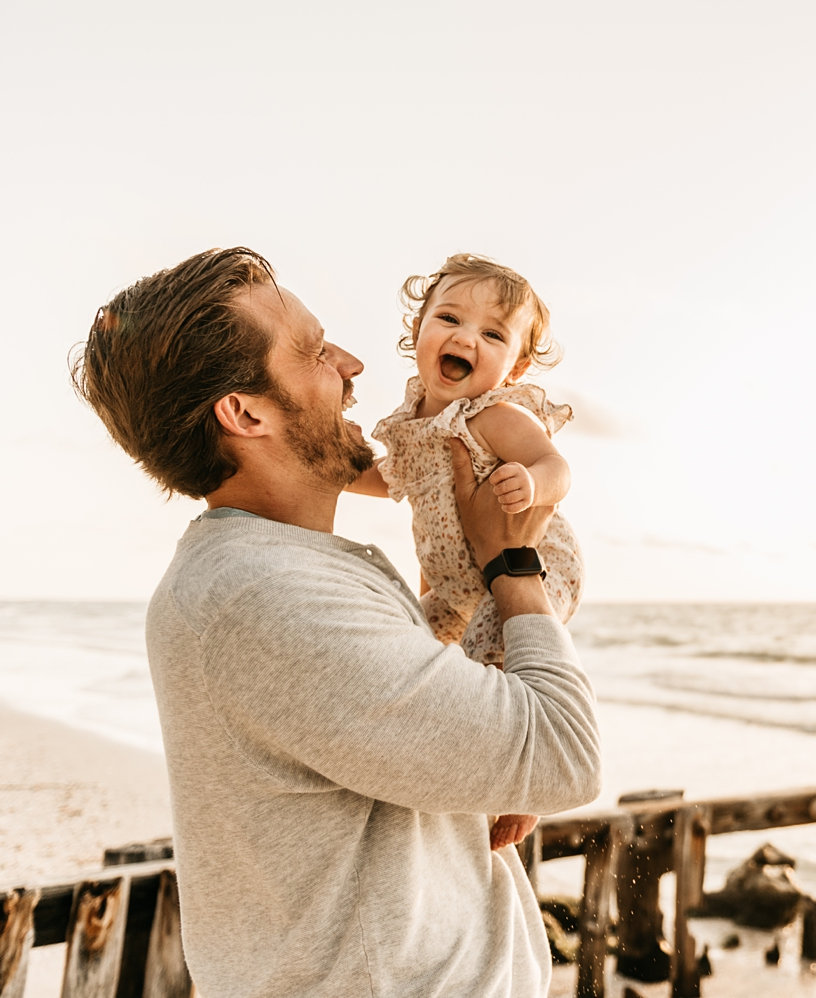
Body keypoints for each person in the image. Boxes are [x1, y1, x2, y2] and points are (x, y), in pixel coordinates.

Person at [71, 247, 601, 998]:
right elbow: (565, 757)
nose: (352, 364)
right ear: (245, 412)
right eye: (317, 352)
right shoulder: (267, 599)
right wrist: (510, 560)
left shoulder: (288, 572)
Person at [346, 253, 584, 851]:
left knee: (491, 669)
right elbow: (387, 478)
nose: (465, 338)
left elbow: (555, 466)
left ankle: (526, 786)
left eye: (492, 334)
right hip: (454, 586)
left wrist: (530, 484)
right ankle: (422, 771)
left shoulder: (493, 416)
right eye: (449, 318)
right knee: (411, 654)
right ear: (419, 331)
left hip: (532, 560)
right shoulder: (410, 425)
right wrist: (330, 472)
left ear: (514, 365)